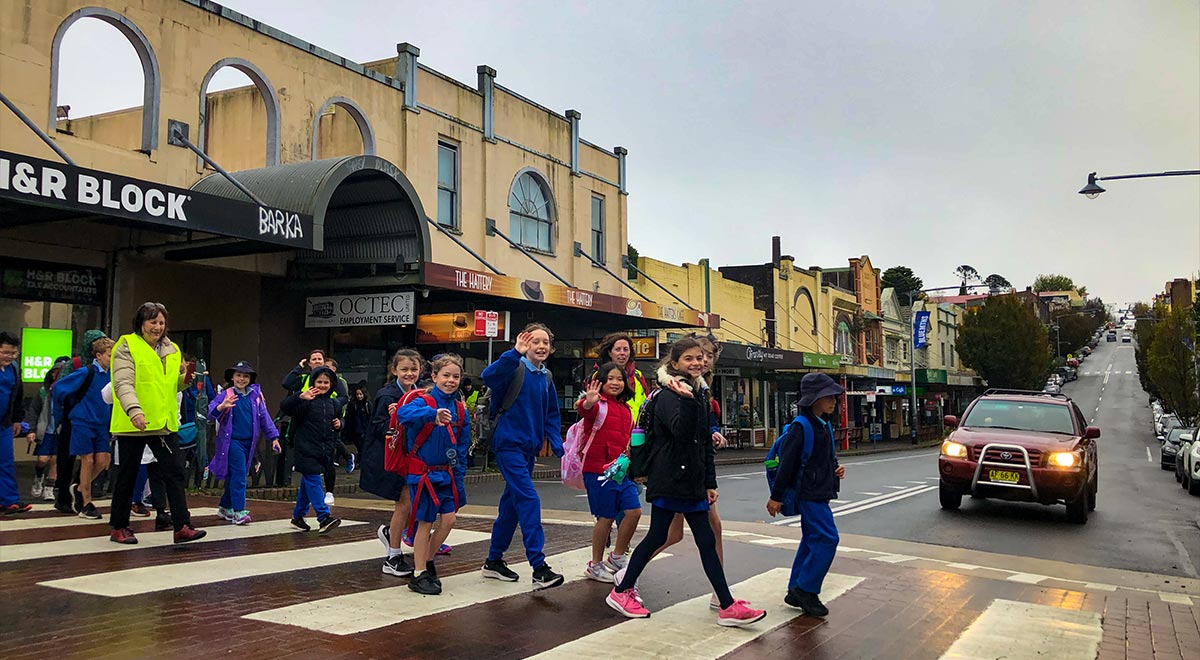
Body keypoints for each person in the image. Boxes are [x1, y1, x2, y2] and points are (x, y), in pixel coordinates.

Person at [606, 337, 766, 627]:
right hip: (669, 478)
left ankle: (726, 605)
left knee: (705, 539)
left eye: (700, 358)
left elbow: (703, 443)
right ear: (675, 363)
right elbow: (681, 432)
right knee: (659, 535)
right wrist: (690, 400)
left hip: (690, 481)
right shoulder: (670, 395)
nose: (697, 363)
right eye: (689, 359)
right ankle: (622, 589)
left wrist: (709, 483)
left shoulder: (699, 393)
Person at [107, 302, 206, 544]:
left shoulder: (171, 349)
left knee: (174, 473)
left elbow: (171, 384)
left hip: (163, 421)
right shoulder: (126, 346)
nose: (157, 327)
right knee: (127, 475)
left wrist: (185, 379)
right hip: (134, 423)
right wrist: (134, 410)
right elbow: (122, 383)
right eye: (152, 322)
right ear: (141, 323)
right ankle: (119, 526)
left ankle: (182, 525)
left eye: (161, 323)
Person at [480, 324, 565, 589]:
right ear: (525, 344)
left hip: (528, 448)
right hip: (508, 445)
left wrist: (558, 445)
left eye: (545, 342)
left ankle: (493, 561)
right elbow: (489, 376)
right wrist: (513, 353)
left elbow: (552, 412)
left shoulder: (546, 376)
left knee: (512, 505)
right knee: (528, 498)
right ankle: (539, 566)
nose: (540, 346)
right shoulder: (514, 367)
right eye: (534, 341)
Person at [767, 372, 846, 617]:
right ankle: (807, 590)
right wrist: (776, 496)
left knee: (813, 539)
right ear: (814, 400)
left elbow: (819, 461)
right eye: (828, 397)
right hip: (809, 494)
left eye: (834, 396)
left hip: (819, 492)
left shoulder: (823, 425)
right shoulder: (802, 428)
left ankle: (796, 588)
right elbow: (788, 465)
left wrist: (836, 470)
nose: (833, 401)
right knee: (827, 539)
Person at [395, 353, 469, 595]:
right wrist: (432, 415)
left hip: (446, 474)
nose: (451, 380)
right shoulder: (423, 401)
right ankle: (418, 573)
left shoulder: (459, 408)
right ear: (434, 376)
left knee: (449, 520)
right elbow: (402, 415)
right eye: (446, 375)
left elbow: (461, 447)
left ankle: (425, 561)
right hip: (422, 475)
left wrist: (458, 480)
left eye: (456, 376)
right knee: (424, 522)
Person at [576, 362, 641, 582]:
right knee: (605, 518)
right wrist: (588, 402)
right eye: (610, 378)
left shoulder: (626, 409)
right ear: (601, 381)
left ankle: (617, 555)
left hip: (621, 470)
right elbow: (584, 409)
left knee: (634, 512)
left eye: (620, 379)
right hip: (597, 469)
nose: (615, 383)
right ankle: (595, 564)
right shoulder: (597, 405)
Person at [364, 349, 422, 577]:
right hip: (396, 459)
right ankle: (393, 556)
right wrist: (396, 418)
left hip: (414, 457)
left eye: (414, 369)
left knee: (413, 502)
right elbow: (378, 429)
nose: (409, 373)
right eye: (404, 369)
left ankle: (392, 535)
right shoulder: (387, 396)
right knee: (405, 502)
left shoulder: (419, 393)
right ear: (394, 370)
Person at [208, 361, 280, 525]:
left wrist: (274, 438)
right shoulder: (225, 395)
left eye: (245, 376)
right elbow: (210, 413)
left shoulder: (255, 396)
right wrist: (222, 406)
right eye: (238, 375)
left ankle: (225, 506)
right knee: (240, 475)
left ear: (250, 379)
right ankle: (239, 512)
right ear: (232, 377)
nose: (241, 379)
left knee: (235, 475)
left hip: (249, 443)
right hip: (232, 442)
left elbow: (265, 418)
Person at [52, 334, 115, 519]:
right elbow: (58, 388)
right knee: (87, 459)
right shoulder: (86, 372)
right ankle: (86, 502)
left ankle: (79, 488)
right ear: (98, 355)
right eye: (110, 355)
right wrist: (60, 416)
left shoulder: (112, 375)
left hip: (101, 423)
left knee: (103, 461)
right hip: (82, 421)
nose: (112, 359)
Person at [279, 366, 342, 534]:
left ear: (332, 384)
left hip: (323, 450)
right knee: (314, 480)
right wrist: (300, 397)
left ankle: (298, 517)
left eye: (326, 382)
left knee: (308, 484)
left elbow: (338, 422)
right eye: (319, 381)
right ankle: (324, 517)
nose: (322, 385)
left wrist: (339, 425)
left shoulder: (334, 403)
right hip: (304, 449)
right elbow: (285, 407)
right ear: (313, 382)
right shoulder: (305, 401)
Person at [27, 356, 70, 501]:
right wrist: (32, 430)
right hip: (45, 430)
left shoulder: (68, 391)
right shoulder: (43, 391)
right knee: (42, 459)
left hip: (60, 430)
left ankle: (49, 488)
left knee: (55, 460)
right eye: (56, 371)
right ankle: (39, 477)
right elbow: (34, 410)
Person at [0, 331, 33, 514]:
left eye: (13, 353)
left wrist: (17, 419)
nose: (10, 357)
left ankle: (8, 500)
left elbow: (18, 395)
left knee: (5, 461)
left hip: (4, 422)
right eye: (6, 352)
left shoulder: (13, 368)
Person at [592, 332, 650, 418]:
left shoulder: (638, 375)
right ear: (609, 352)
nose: (622, 353)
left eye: (626, 349)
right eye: (618, 349)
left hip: (635, 429)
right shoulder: (599, 375)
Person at [343, 384, 371, 458]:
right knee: (359, 446)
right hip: (355, 430)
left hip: (364, 430)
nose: (359, 396)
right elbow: (350, 418)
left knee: (362, 447)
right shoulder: (353, 405)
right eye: (357, 394)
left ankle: (360, 461)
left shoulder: (367, 405)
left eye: (360, 394)